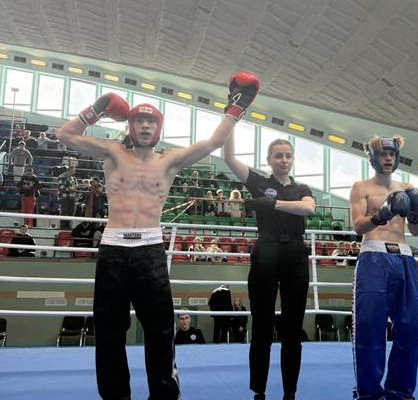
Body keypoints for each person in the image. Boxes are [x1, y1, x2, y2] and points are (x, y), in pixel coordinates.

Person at [56, 70, 259, 400]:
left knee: (160, 328)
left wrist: (238, 107)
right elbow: (65, 134)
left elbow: (213, 143)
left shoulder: (169, 161)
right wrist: (99, 108)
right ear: (130, 126)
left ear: (158, 128)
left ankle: (163, 394)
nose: (145, 126)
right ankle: (116, 395)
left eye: (151, 122)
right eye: (139, 121)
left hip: (149, 250)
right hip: (113, 249)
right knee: (108, 329)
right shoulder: (112, 152)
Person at [223, 134, 315, 400]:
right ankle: (259, 390)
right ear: (268, 159)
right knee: (262, 324)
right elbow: (229, 158)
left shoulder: (302, 188)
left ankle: (290, 392)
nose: (284, 160)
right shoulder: (259, 183)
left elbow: (308, 209)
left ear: (293, 159)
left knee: (292, 327)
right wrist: (232, 122)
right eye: (278, 156)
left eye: (288, 155)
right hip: (267, 251)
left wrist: (273, 204)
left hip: (295, 253)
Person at [349, 135, 418, 400]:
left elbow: (416, 231)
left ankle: (400, 392)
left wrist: (415, 214)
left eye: (392, 154)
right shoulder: (361, 187)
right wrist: (382, 213)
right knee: (370, 327)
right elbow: (358, 226)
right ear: (373, 157)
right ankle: (369, 393)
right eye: (383, 154)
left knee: (410, 327)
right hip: (373, 256)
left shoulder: (407, 188)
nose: (388, 158)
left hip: (404, 257)